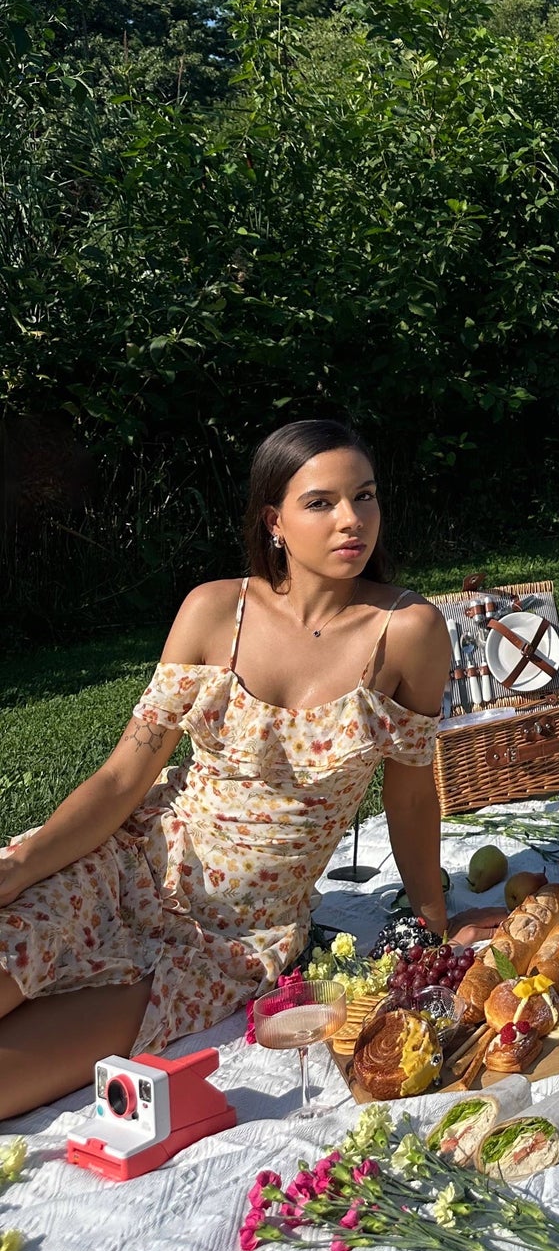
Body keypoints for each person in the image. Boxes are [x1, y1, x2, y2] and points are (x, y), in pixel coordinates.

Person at [0, 420, 451, 1118]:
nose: (351, 520)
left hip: (228, 942)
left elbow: (413, 794)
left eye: (364, 497)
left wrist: (431, 916)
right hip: (132, 864)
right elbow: (123, 776)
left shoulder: (408, 631)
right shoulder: (215, 611)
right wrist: (22, 867)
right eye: (321, 502)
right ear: (274, 520)